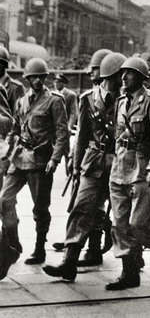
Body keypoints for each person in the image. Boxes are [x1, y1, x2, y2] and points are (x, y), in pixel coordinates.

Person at [43, 52, 126, 280]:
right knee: (81, 209)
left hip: (121, 165)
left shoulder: (129, 99)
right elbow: (82, 136)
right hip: (94, 163)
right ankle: (69, 262)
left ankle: (132, 260)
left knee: (123, 215)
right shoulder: (88, 98)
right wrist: (76, 164)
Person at [106, 57, 150, 290]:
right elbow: (118, 136)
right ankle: (129, 273)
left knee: (139, 223)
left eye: (130, 74)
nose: (124, 78)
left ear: (142, 77)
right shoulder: (121, 101)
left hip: (142, 168)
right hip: (120, 168)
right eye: (123, 73)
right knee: (120, 224)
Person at [0, 59, 68, 280]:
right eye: (33, 77)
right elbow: (16, 128)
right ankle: (12, 241)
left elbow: (62, 134)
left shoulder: (54, 101)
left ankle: (39, 248)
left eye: (41, 77)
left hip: (40, 161)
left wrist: (55, 160)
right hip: (19, 157)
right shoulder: (22, 101)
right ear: (28, 79)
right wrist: (8, 149)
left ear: (45, 78)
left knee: (40, 208)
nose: (37, 81)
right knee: (4, 199)